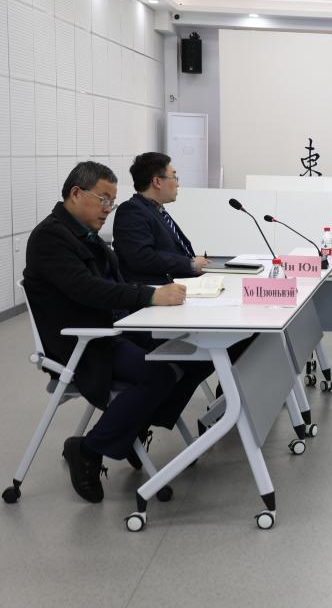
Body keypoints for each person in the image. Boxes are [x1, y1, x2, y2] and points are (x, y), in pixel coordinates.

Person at [23, 162, 215, 503]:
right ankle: (89, 449)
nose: (108, 208)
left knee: (196, 354)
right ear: (76, 193)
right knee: (158, 374)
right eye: (103, 199)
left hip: (115, 328)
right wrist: (150, 296)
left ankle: (130, 427)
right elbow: (89, 289)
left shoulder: (85, 234)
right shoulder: (50, 238)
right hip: (84, 341)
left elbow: (115, 283)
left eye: (112, 201)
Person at [113, 152, 209, 284]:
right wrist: (190, 264)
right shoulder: (131, 211)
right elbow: (143, 257)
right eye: (174, 178)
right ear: (157, 182)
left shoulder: (156, 210)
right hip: (156, 290)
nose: (177, 184)